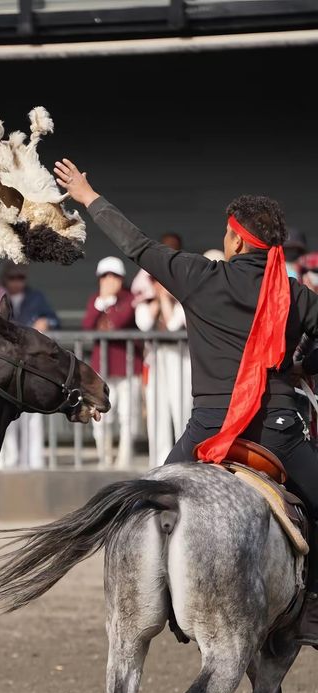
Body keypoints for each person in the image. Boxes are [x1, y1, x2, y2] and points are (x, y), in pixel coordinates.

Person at [55, 157, 318, 643]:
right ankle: (312, 605)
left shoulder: (199, 276)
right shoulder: (295, 295)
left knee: (143, 505)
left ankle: (148, 600)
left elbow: (136, 244)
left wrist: (88, 196)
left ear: (236, 240)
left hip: (207, 430)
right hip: (277, 431)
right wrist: (306, 367)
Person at [0, 263, 60, 470]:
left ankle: (34, 461)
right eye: (12, 277)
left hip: (32, 366)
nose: (17, 282)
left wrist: (46, 322)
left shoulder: (36, 297)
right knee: (9, 414)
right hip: (8, 363)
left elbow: (54, 319)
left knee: (33, 414)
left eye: (21, 277)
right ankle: (10, 461)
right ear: (5, 278)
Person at [82, 256, 142, 468]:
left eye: (114, 276)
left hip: (127, 367)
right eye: (105, 276)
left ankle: (124, 460)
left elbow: (118, 322)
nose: (109, 280)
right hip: (102, 369)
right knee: (101, 415)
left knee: (128, 415)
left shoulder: (130, 298)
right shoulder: (95, 300)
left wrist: (108, 306)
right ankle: (104, 458)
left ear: (121, 278)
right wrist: (102, 303)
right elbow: (88, 325)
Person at [132, 269, 191, 466]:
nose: (159, 285)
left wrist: (166, 299)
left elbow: (173, 325)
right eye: (155, 281)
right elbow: (144, 323)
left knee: (181, 409)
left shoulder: (181, 304)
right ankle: (158, 461)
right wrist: (156, 301)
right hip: (156, 360)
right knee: (157, 411)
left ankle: (183, 459)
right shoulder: (144, 304)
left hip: (179, 360)